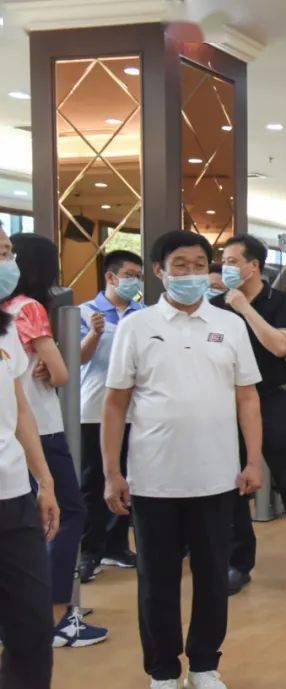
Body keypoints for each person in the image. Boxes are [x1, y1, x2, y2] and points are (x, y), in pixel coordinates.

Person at [103, 230, 263, 689]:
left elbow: (247, 397)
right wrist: (112, 472)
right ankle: (163, 670)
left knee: (213, 577)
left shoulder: (230, 324)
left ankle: (205, 664)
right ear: (159, 271)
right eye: (180, 265)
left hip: (216, 477)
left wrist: (253, 461)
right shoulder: (136, 326)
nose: (191, 274)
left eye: (198, 265)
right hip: (153, 478)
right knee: (157, 580)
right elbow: (115, 404)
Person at [211, 234, 286, 595]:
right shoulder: (215, 306)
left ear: (254, 266)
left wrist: (244, 309)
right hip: (228, 400)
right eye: (224, 261)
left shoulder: (278, 301)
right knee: (234, 483)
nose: (226, 267)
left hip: (270, 399)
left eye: (233, 261)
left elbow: (280, 346)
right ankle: (238, 562)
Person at [0, 231, 107, 648]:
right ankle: (58, 614)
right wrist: (55, 361)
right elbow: (61, 374)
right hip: (39, 428)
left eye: (10, 253)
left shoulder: (6, 309)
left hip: (17, 433)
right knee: (65, 513)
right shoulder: (28, 308)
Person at [0, 238, 60, 689]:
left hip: (13, 495)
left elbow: (20, 409)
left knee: (33, 623)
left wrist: (45, 481)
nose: (7, 263)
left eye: (7, 252)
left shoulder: (7, 330)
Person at [77, 249, 144, 583]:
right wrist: (94, 333)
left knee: (127, 479)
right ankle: (90, 550)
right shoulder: (84, 312)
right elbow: (76, 359)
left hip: (134, 412)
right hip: (94, 410)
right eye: (130, 275)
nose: (135, 282)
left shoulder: (143, 314)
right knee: (93, 482)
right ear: (110, 276)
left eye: (138, 276)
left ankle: (117, 545)